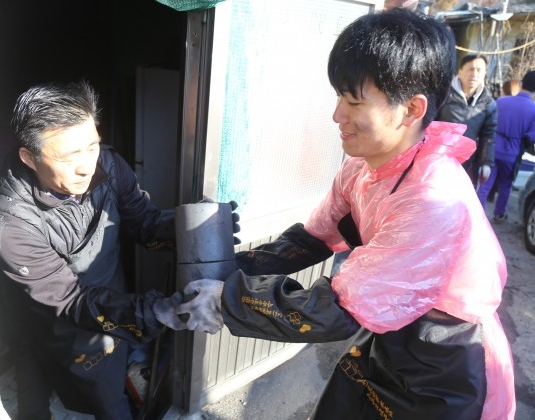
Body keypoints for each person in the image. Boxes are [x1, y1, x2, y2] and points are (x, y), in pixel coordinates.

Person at [163, 8, 515, 419]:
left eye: (353, 101)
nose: (337, 116)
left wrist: (226, 300)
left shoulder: (433, 199)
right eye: (338, 97)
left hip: (446, 357)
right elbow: (312, 239)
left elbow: (339, 311)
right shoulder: (364, 165)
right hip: (392, 329)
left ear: (412, 109)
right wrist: (224, 269)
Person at [0, 81, 233, 419]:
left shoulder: (108, 165)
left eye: (91, 147)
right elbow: (71, 302)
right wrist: (153, 311)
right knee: (91, 394)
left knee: (112, 373)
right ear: (30, 157)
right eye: (69, 156)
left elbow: (143, 222)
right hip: (58, 317)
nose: (86, 166)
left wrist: (191, 230)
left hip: (110, 297)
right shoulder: (13, 227)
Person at [477, 71, 535, 222]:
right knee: (505, 186)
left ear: (521, 84)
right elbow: (530, 136)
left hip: (493, 148)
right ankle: (499, 213)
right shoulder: (533, 110)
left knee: (485, 184)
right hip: (513, 153)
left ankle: (477, 215)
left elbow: (487, 123)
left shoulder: (501, 101)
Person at [436, 53, 497, 188]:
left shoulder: (488, 103)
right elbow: (428, 124)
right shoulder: (443, 94)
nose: (474, 74)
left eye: (479, 70)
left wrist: (486, 163)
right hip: (439, 158)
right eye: (470, 69)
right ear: (460, 71)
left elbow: (488, 135)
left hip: (468, 163)